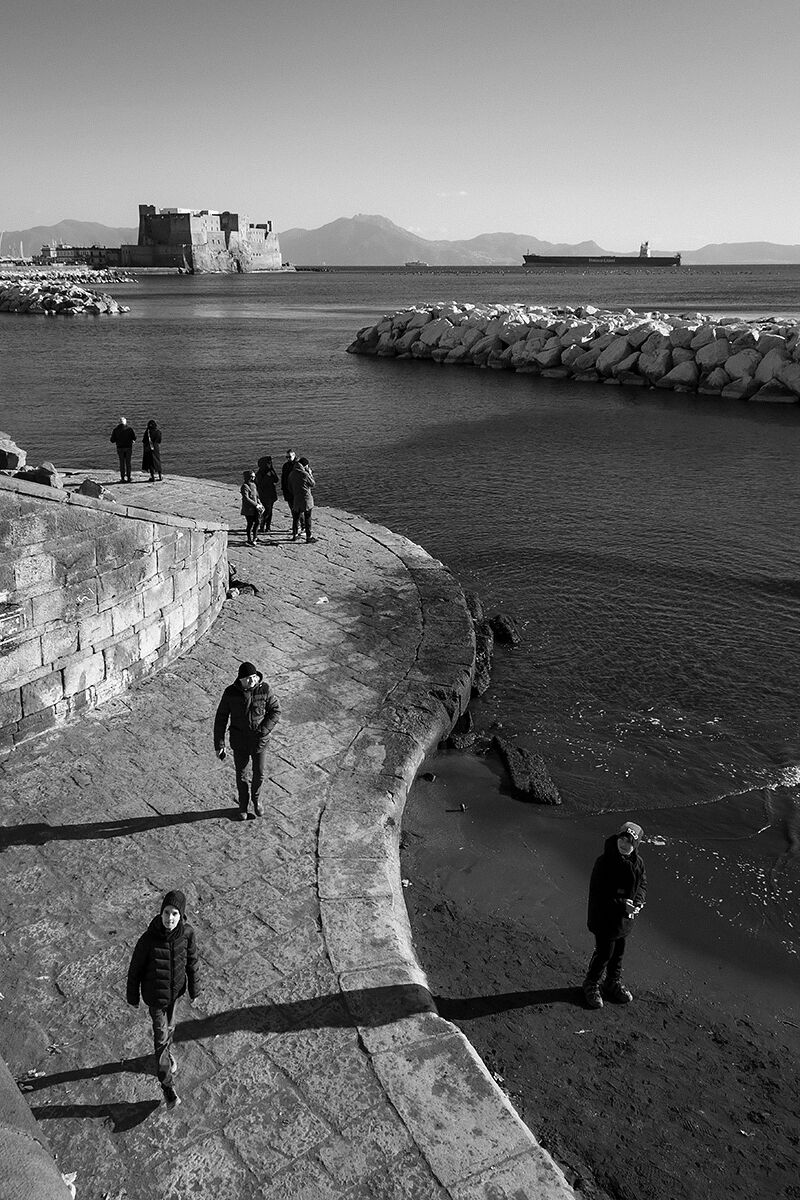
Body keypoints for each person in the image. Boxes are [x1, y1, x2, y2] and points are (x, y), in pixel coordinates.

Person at [126, 889, 201, 1110]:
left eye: (175, 913)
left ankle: (166, 1056)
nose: (170, 918)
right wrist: (133, 996)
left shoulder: (187, 934)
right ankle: (167, 1086)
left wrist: (195, 990)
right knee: (160, 1037)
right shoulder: (148, 940)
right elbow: (135, 970)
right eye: (167, 912)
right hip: (156, 1000)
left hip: (175, 996)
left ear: (182, 916)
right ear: (160, 913)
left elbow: (192, 962)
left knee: (170, 1029)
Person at [583, 821, 646, 1010]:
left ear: (636, 845)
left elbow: (642, 883)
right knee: (604, 953)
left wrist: (638, 902)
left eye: (629, 841)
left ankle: (612, 982)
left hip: (624, 920)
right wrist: (621, 905)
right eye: (622, 839)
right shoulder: (604, 862)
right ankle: (591, 983)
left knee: (618, 953)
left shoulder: (638, 863)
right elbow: (598, 893)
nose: (624, 844)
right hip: (604, 918)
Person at [213, 661, 280, 819]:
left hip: (259, 741)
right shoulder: (230, 693)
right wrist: (219, 745)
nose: (252, 681)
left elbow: (275, 710)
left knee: (259, 773)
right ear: (240, 679)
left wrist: (264, 730)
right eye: (248, 678)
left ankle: (257, 800)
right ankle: (243, 804)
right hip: (240, 741)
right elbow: (221, 719)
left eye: (254, 677)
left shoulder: (265, 689)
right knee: (241, 775)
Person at [288, 455, 316, 543]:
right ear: (304, 466)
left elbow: (289, 487)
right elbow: (312, 484)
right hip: (306, 499)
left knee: (296, 517)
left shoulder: (292, 473)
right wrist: (310, 473)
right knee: (307, 517)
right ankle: (309, 536)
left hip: (296, 498)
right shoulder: (304, 474)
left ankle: (295, 535)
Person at [255, 455, 279, 533]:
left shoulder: (270, 471)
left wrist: (272, 471)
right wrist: (267, 476)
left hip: (271, 494)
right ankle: (262, 526)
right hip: (264, 495)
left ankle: (268, 526)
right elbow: (260, 484)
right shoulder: (259, 473)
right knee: (266, 511)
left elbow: (276, 480)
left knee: (270, 511)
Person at [110, 417, 136, 482]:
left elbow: (112, 440)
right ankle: (129, 477)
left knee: (122, 463)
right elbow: (134, 437)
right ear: (125, 422)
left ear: (119, 423)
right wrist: (132, 440)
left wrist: (117, 439)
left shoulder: (116, 430)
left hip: (120, 448)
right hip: (128, 447)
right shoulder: (129, 429)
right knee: (128, 463)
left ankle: (122, 478)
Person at [240, 470, 262, 546]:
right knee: (250, 524)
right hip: (248, 509)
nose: (253, 478)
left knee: (258, 522)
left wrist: (259, 503)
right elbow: (246, 498)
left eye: (254, 476)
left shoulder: (254, 485)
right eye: (252, 477)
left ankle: (255, 537)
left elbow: (256, 496)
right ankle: (249, 539)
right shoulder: (245, 486)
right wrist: (256, 505)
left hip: (256, 508)